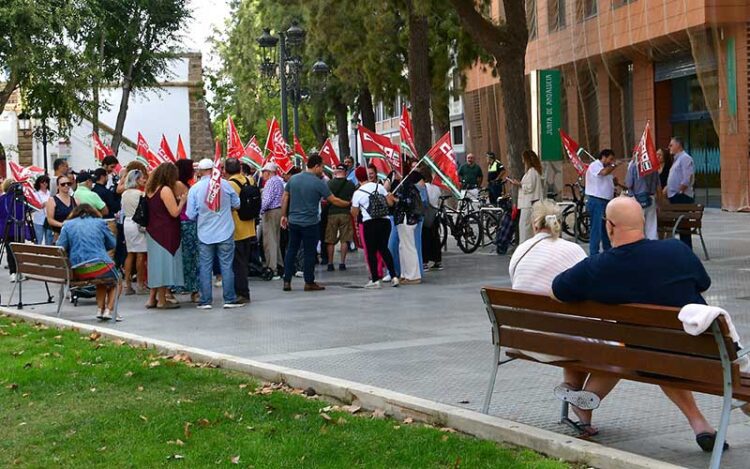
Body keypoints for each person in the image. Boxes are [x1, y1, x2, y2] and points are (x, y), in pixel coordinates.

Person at [551, 197, 722, 450]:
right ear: (642, 222)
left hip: (646, 357)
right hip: (706, 355)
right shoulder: (677, 250)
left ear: (609, 227)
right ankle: (699, 424)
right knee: (660, 350)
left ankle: (699, 423)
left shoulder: (598, 267)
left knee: (646, 351)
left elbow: (558, 290)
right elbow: (703, 284)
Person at [280, 153, 351, 292]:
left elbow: (285, 197)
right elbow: (333, 200)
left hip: (294, 221)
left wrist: (284, 215)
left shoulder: (293, 179)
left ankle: (287, 281)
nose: (323, 170)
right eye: (322, 167)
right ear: (316, 166)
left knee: (291, 250)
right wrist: (348, 203)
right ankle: (309, 282)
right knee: (309, 252)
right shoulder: (318, 183)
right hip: (310, 223)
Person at [186, 158, 245, 309]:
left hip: (205, 233)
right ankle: (229, 298)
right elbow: (237, 204)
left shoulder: (195, 189)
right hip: (225, 231)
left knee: (205, 267)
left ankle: (205, 300)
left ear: (199, 171)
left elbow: (191, 214)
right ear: (214, 169)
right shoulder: (225, 185)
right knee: (226, 265)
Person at [56, 204, 118, 321]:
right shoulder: (100, 223)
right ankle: (108, 310)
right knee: (117, 280)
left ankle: (100, 310)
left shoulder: (67, 225)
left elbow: (60, 247)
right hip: (99, 266)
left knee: (102, 281)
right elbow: (112, 244)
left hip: (77, 271)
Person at [144, 163, 185, 310]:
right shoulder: (165, 189)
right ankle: (162, 300)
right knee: (164, 266)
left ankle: (152, 298)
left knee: (155, 265)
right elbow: (174, 212)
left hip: (152, 231)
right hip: (166, 232)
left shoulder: (149, 189)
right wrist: (182, 201)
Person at [351, 167, 398, 289]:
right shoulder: (379, 187)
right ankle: (394, 276)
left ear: (357, 177)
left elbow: (354, 213)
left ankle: (375, 279)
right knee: (384, 249)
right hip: (385, 221)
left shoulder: (358, 193)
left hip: (370, 223)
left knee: (371, 252)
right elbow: (390, 203)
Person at [225, 157, 255, 303]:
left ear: (225, 170)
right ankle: (244, 290)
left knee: (238, 264)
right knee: (244, 261)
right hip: (250, 227)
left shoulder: (229, 184)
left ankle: (242, 293)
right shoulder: (250, 180)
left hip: (237, 228)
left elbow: (229, 205)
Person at [584, 149, 619, 255]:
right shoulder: (595, 165)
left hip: (606, 201)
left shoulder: (607, 169)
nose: (611, 162)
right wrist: (614, 166)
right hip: (597, 201)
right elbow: (602, 173)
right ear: (604, 157)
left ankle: (607, 250)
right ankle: (594, 253)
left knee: (606, 228)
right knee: (597, 228)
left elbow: (605, 180)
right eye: (610, 159)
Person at [506, 150, 544, 244]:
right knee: (527, 227)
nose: (522, 161)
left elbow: (530, 187)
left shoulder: (531, 172)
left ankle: (524, 247)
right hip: (530, 203)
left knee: (524, 227)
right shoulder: (535, 171)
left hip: (528, 204)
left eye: (523, 159)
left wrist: (519, 184)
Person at [392, 171, 423, 285]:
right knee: (403, 247)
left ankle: (413, 275)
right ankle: (405, 274)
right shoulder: (403, 186)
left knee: (408, 247)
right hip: (403, 219)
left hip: (407, 219)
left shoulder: (407, 186)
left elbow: (408, 203)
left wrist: (396, 200)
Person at [664, 136, 695, 248]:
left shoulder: (685, 158)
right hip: (674, 196)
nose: (669, 147)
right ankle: (683, 247)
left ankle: (687, 248)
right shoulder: (677, 159)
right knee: (680, 225)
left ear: (678, 145)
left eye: (671, 145)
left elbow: (687, 178)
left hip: (682, 197)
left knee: (683, 225)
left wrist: (680, 191)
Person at [175, 159, 199, 303]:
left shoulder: (185, 184)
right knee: (189, 257)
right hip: (185, 223)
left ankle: (192, 288)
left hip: (189, 222)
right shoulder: (179, 185)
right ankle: (191, 288)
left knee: (191, 257)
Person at [121, 169, 148, 295]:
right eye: (142, 178)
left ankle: (127, 284)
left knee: (130, 253)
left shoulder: (124, 194)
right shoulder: (140, 194)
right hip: (138, 223)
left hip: (127, 222)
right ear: (137, 180)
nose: (144, 180)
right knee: (141, 254)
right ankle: (140, 284)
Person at [325, 164, 356, 271]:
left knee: (330, 240)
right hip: (345, 213)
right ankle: (342, 263)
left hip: (332, 213)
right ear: (346, 172)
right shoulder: (350, 184)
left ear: (336, 171)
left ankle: (330, 263)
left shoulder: (329, 184)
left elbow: (325, 199)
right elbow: (353, 198)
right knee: (344, 239)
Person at [0, 179, 30, 282]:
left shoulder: (14, 199)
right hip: (13, 228)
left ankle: (15, 272)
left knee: (11, 251)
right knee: (17, 251)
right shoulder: (7, 199)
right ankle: (15, 272)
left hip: (10, 228)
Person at [625, 152, 659, 240]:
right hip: (651, 198)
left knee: (638, 226)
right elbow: (656, 183)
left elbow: (628, 183)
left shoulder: (634, 167)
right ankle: (653, 247)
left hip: (637, 199)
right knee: (652, 226)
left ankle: (641, 247)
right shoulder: (653, 167)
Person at [260, 162, 284, 279]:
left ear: (269, 172)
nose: (262, 174)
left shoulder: (270, 182)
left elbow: (267, 200)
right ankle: (280, 265)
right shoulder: (279, 181)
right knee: (276, 239)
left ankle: (272, 268)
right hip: (278, 211)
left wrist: (260, 210)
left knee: (270, 241)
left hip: (270, 211)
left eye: (264, 171)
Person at [420, 167, 442, 271]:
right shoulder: (436, 187)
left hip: (426, 216)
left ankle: (424, 262)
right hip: (435, 215)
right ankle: (438, 261)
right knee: (435, 239)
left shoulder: (424, 187)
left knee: (425, 239)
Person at [46, 175, 76, 241]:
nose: (66, 186)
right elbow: (50, 220)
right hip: (59, 235)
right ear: (57, 186)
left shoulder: (75, 200)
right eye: (63, 184)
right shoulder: (52, 200)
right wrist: (63, 224)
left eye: (68, 183)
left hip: (74, 235)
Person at [32, 175, 53, 245]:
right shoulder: (35, 194)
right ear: (39, 183)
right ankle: (38, 254)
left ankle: (47, 254)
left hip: (49, 218)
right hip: (38, 219)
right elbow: (33, 207)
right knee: (38, 239)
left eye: (46, 182)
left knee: (49, 239)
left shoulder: (51, 193)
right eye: (42, 182)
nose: (44, 184)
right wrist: (42, 205)